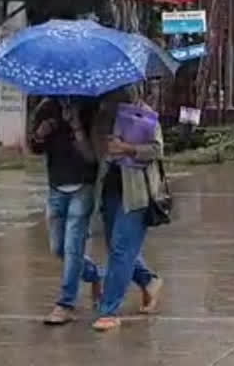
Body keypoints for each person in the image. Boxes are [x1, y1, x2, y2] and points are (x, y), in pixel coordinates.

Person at [90, 85, 164, 332]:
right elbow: (95, 151)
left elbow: (157, 149)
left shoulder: (145, 115)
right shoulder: (102, 117)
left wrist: (128, 149)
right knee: (117, 248)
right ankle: (148, 280)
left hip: (136, 194)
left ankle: (109, 310)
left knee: (121, 250)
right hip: (110, 189)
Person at [29, 97, 102, 325]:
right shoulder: (45, 108)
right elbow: (34, 147)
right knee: (58, 248)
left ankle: (66, 304)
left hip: (83, 186)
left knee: (73, 247)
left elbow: (92, 157)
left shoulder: (91, 107)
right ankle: (94, 274)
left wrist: (77, 126)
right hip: (56, 186)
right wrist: (40, 134)